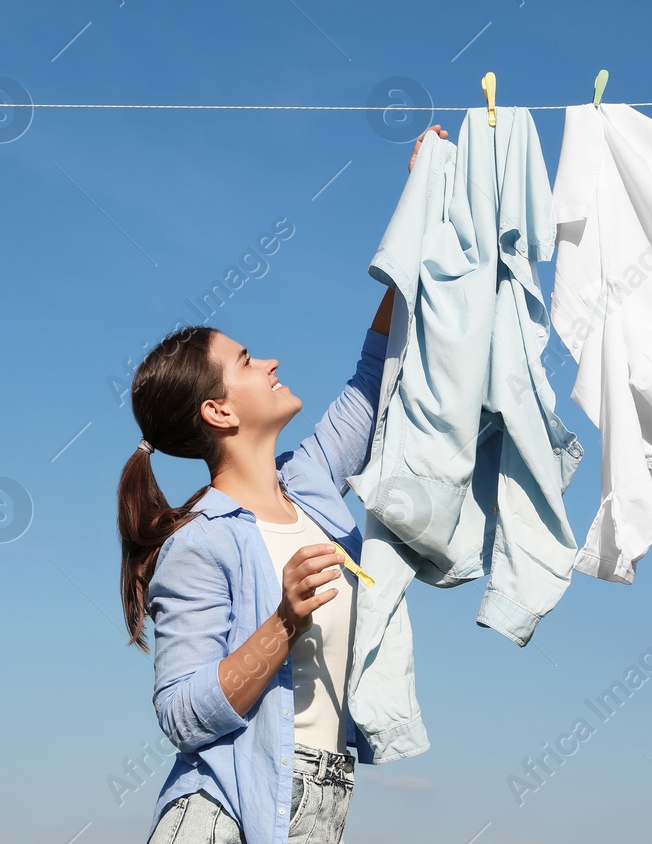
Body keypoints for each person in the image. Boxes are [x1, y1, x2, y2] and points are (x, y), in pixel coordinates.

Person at [117, 126, 446, 844]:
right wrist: (283, 620)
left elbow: (375, 371)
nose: (268, 360)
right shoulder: (200, 543)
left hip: (320, 802)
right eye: (244, 360)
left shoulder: (316, 481)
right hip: (224, 814)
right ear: (219, 410)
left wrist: (420, 195)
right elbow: (178, 712)